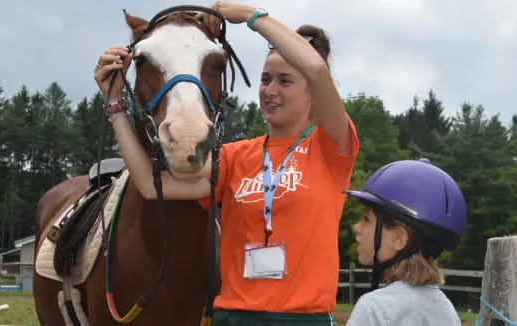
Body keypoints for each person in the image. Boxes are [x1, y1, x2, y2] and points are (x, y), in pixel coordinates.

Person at [94, 2, 359, 325]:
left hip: (301, 319)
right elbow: (150, 186)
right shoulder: (234, 157)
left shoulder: (331, 149)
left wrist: (250, 17)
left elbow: (317, 70)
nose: (270, 91)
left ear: (312, 93)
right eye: (265, 79)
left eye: (285, 81)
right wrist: (115, 106)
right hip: (232, 317)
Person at [344, 158, 467, 326]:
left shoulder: (374, 309)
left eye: (366, 219)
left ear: (399, 239)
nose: (356, 227)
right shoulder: (447, 310)